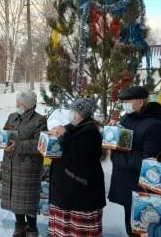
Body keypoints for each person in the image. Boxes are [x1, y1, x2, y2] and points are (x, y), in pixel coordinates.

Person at [108, 85, 161, 237]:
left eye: (127, 101)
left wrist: (117, 156)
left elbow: (149, 160)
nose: (124, 105)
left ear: (140, 103)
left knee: (142, 231)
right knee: (130, 228)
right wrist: (111, 136)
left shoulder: (154, 125)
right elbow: (122, 143)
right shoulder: (126, 118)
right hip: (126, 184)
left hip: (143, 190)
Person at [47, 98, 106, 237]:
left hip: (81, 197)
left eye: (73, 110)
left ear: (81, 114)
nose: (71, 113)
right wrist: (55, 135)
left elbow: (80, 157)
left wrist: (64, 135)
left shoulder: (91, 131)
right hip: (66, 195)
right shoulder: (73, 127)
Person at [0, 90, 47, 237]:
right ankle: (19, 226)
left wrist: (18, 145)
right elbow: (6, 134)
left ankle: (32, 228)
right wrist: (1, 141)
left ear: (29, 105)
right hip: (12, 164)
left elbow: (40, 144)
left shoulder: (39, 120)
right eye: (17, 102)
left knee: (28, 201)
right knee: (15, 199)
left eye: (20, 103)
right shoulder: (12, 117)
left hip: (28, 167)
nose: (17, 105)